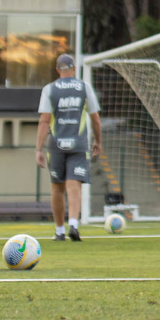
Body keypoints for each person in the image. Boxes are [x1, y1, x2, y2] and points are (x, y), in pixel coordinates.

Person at [35, 53, 102, 241]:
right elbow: (95, 118)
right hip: (79, 144)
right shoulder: (84, 87)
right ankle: (73, 223)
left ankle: (59, 231)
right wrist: (98, 140)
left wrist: (38, 149)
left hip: (56, 145)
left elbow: (44, 121)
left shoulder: (49, 89)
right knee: (74, 186)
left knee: (57, 188)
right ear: (74, 69)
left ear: (58, 70)